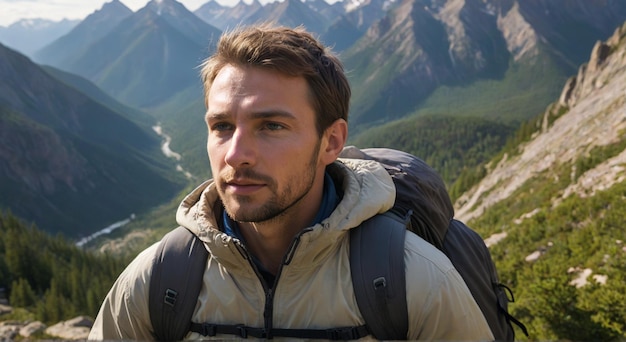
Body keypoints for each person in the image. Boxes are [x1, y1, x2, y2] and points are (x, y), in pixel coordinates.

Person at [88, 24, 494, 340]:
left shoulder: (413, 280)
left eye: (271, 126)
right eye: (222, 126)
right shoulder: (158, 279)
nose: (235, 154)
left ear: (331, 141)